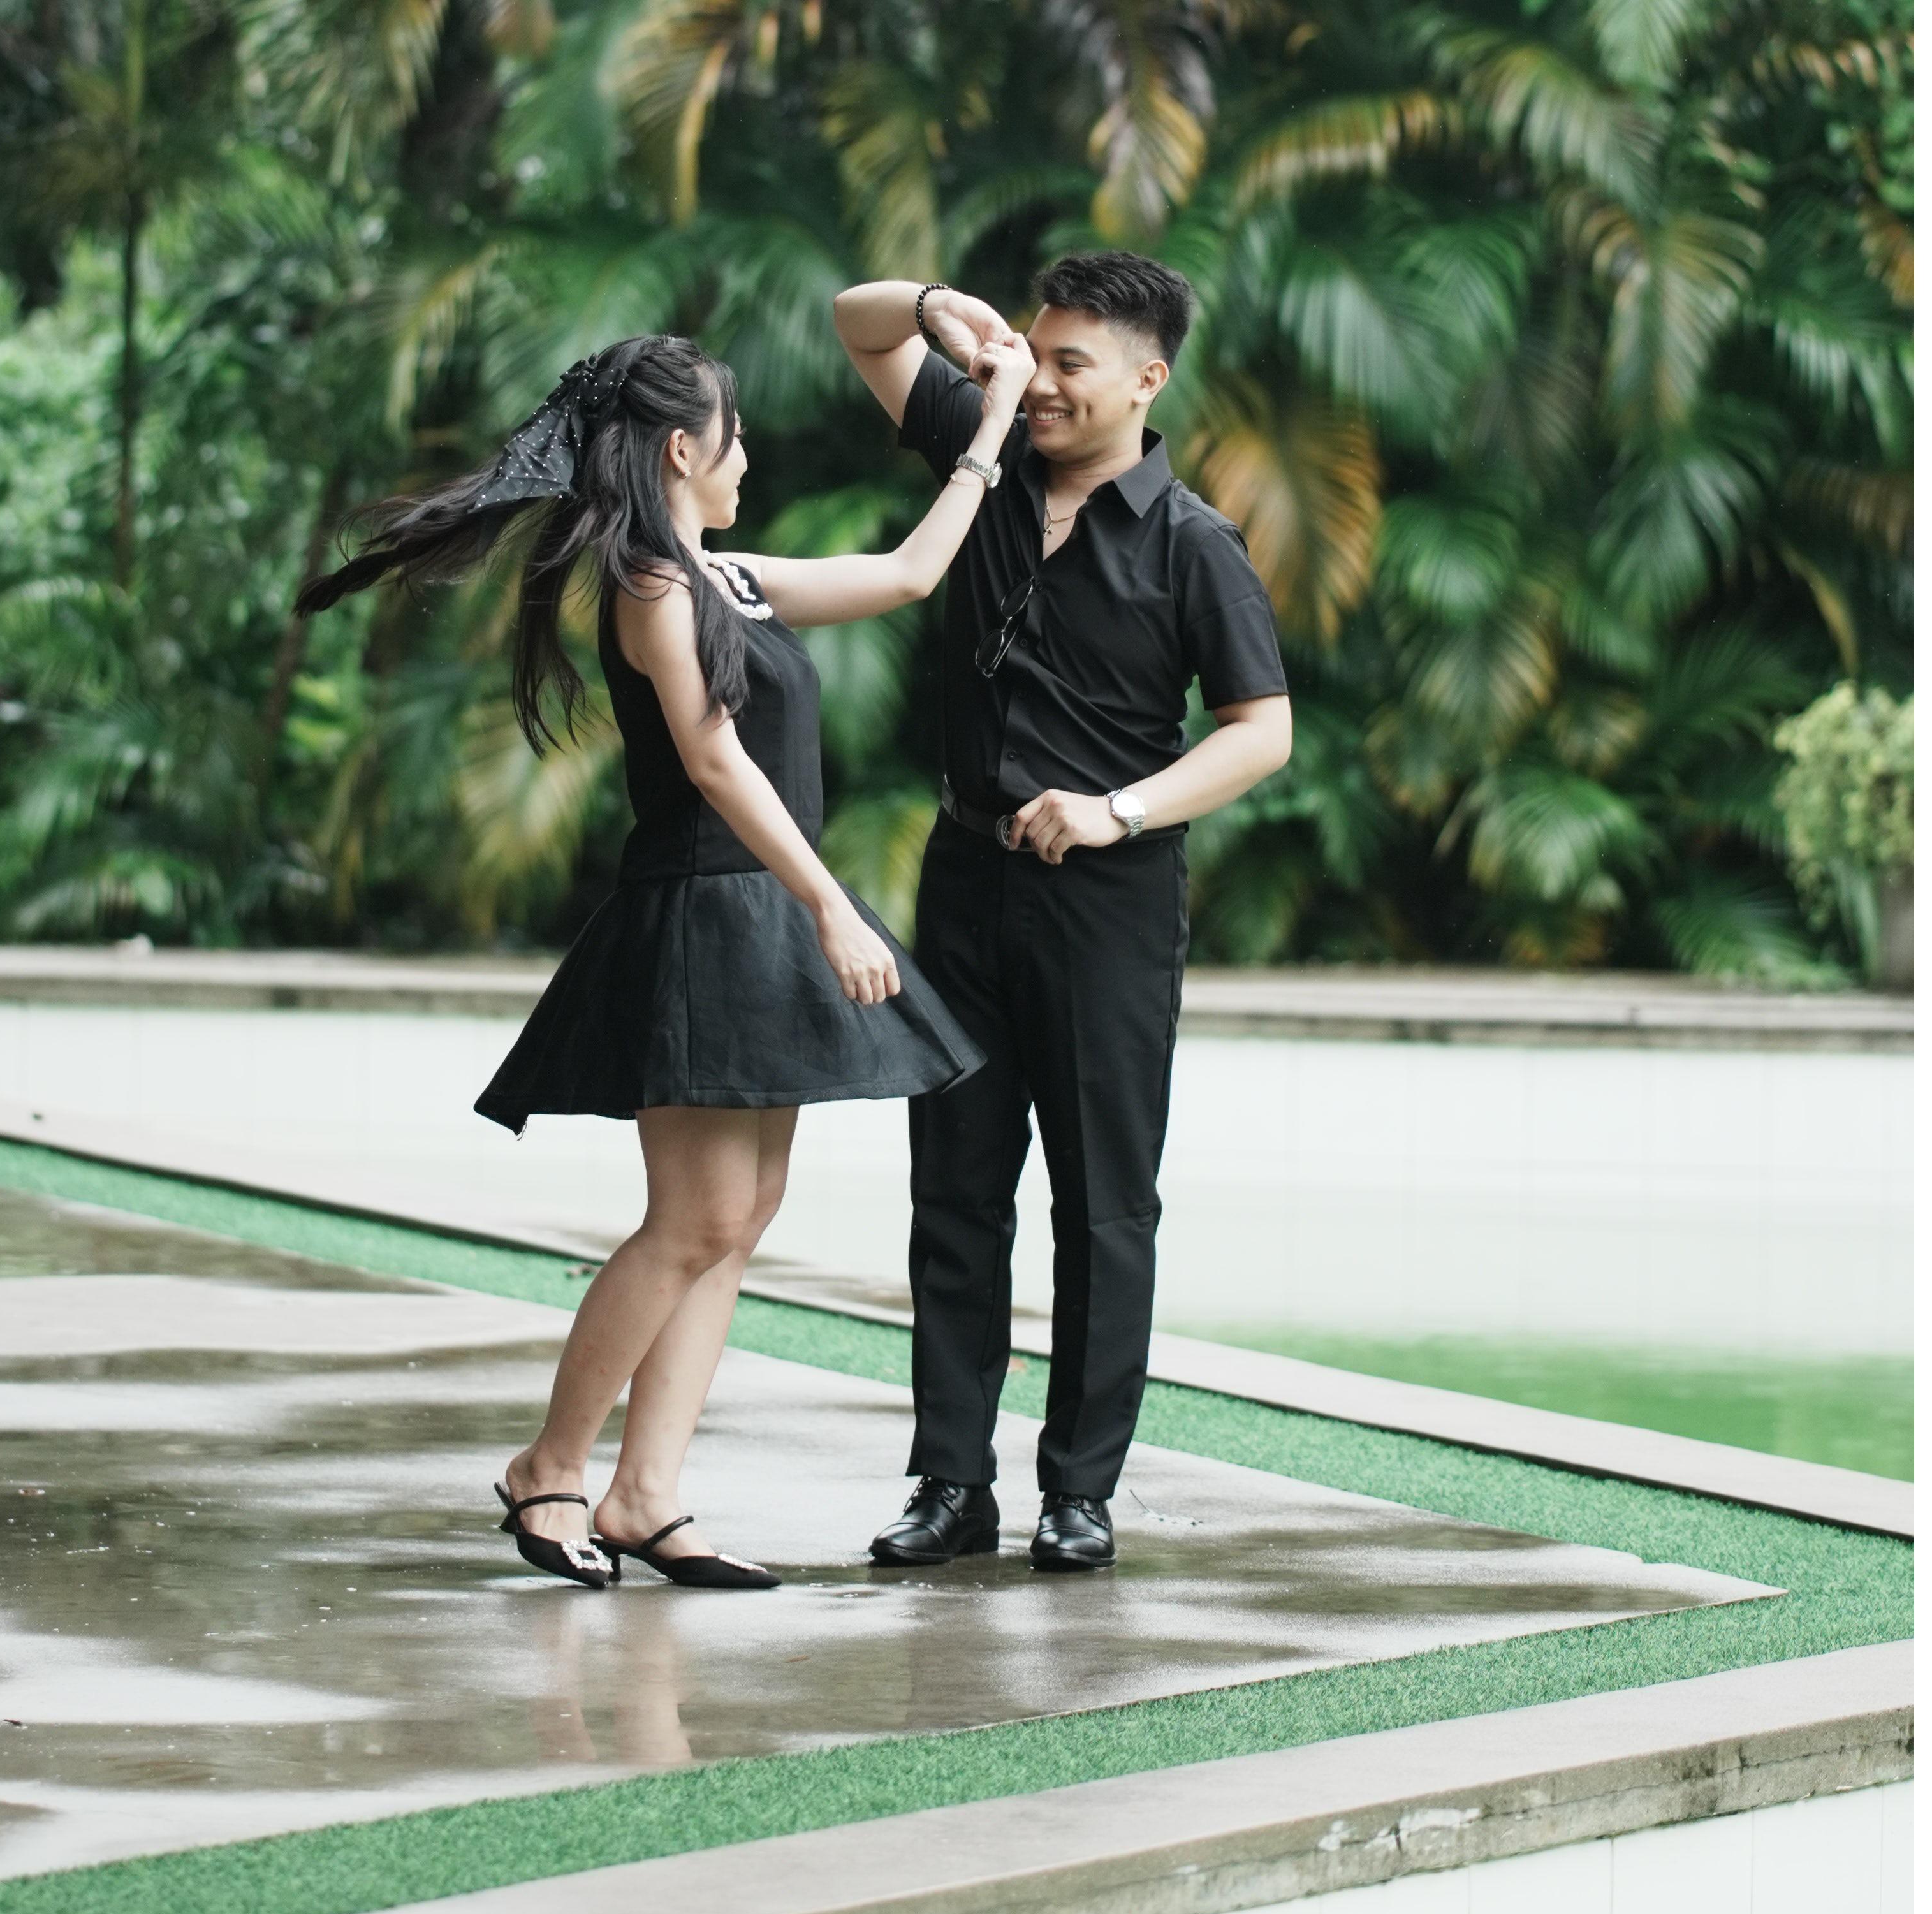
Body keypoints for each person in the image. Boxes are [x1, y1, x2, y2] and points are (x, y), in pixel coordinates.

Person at [295, 329, 1028, 1589]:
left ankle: (645, 1495)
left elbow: (911, 574)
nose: (748, 459)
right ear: (684, 451)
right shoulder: (650, 583)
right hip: (707, 916)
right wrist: (830, 906)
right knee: (692, 1220)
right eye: (734, 439)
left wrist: (994, 419)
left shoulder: (728, 576)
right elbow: (711, 757)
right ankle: (549, 1468)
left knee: (740, 1217)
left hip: (764, 913)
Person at [830, 256, 1293, 1574]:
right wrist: (948, 317)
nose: (1039, 384)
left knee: (1103, 1206)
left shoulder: (1195, 544)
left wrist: (1119, 811)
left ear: (1148, 380)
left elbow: (1262, 732)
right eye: (1034, 356)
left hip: (1109, 902)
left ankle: (1079, 1493)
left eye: (1069, 364)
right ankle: (951, 1484)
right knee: (954, 1191)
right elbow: (857, 326)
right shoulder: (984, 452)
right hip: (963, 880)